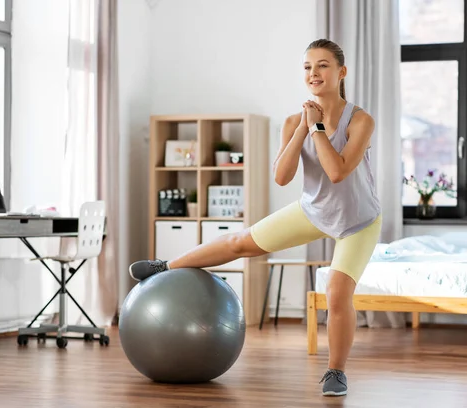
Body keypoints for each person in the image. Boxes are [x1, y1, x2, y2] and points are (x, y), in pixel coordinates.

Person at [129, 38, 382, 397]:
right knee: (239, 242)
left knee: (337, 293)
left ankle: (336, 372)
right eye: (308, 67)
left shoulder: (361, 120)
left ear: (341, 72)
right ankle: (165, 266)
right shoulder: (295, 120)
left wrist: (317, 129)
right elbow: (282, 176)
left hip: (359, 220)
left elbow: (337, 171)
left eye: (323, 65)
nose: (314, 73)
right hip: (314, 210)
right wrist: (301, 128)